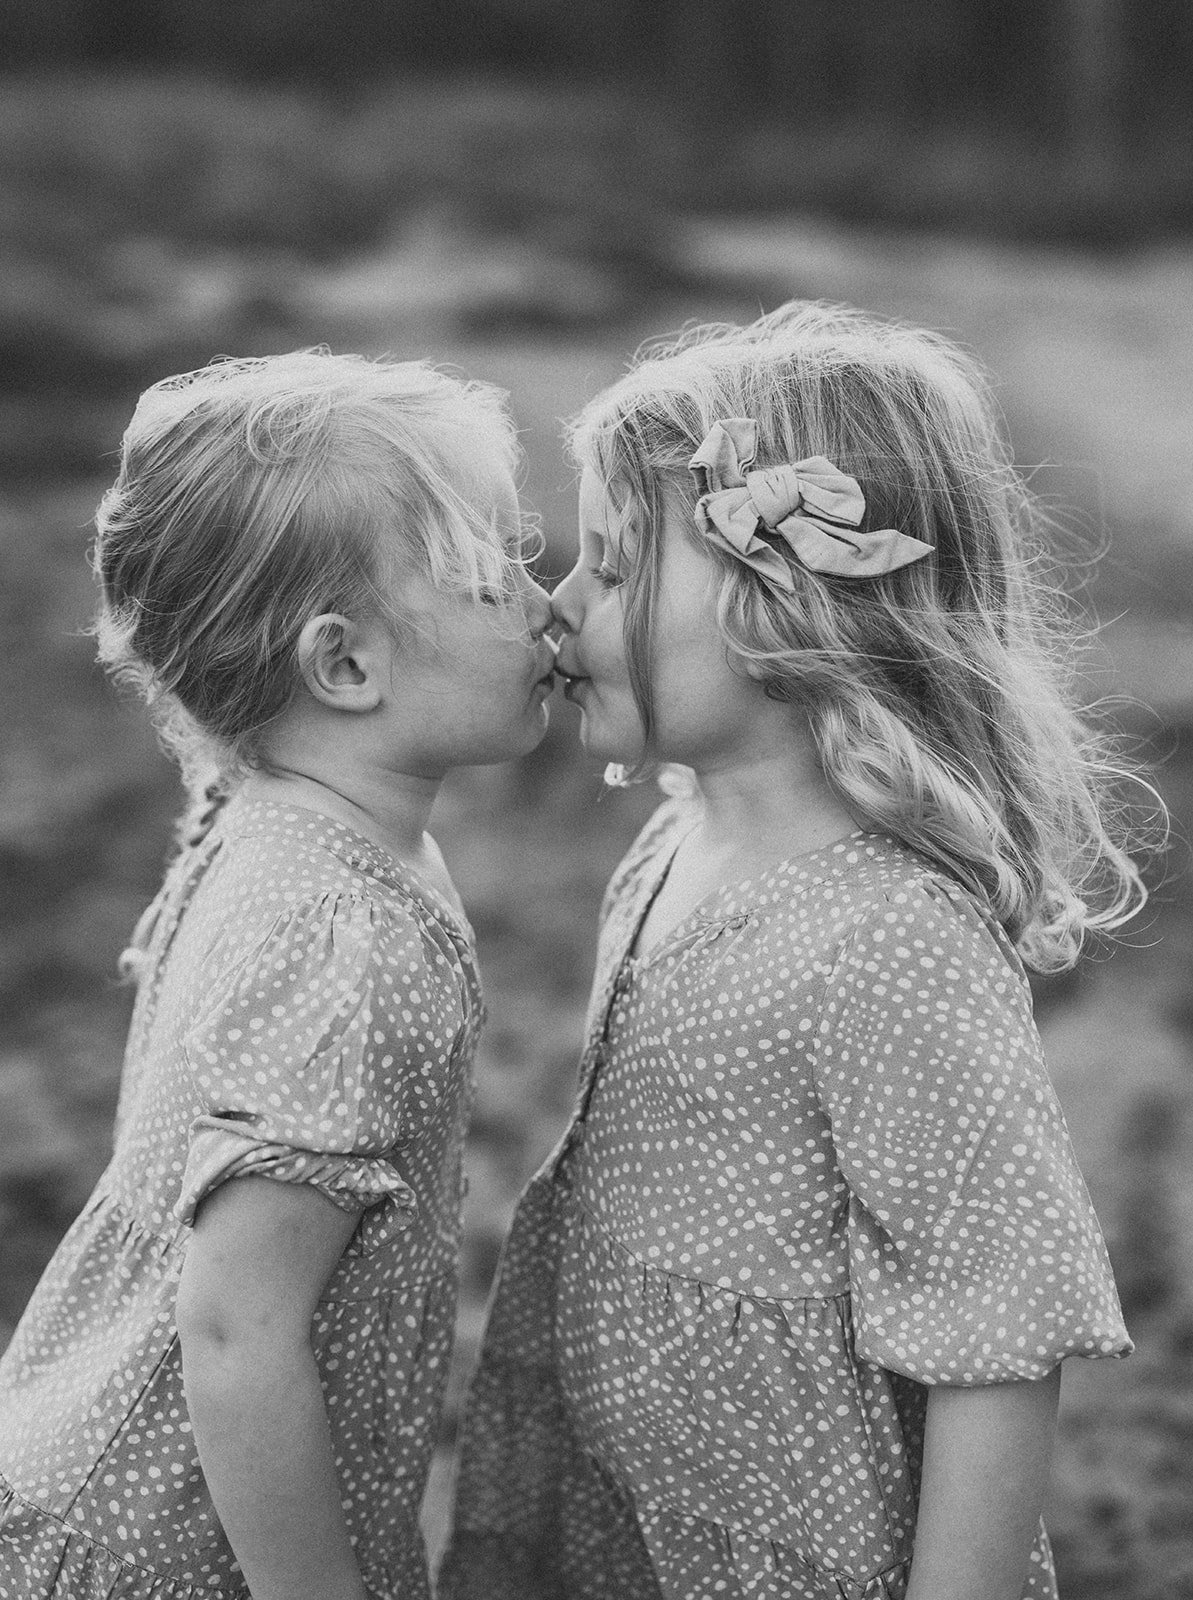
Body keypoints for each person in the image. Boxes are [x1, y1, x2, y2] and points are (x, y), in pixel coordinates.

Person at [442, 302, 1154, 1600]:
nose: (559, 603)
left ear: (788, 599)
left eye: (610, 566)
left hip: (807, 1553)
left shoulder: (889, 938)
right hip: (643, 1516)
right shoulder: (674, 842)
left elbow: (994, 1338)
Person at [0, 350, 555, 1600]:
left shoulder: (281, 816)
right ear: (344, 665)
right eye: (493, 572)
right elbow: (237, 1331)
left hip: (152, 1491)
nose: (543, 599)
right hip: (180, 1548)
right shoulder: (335, 930)